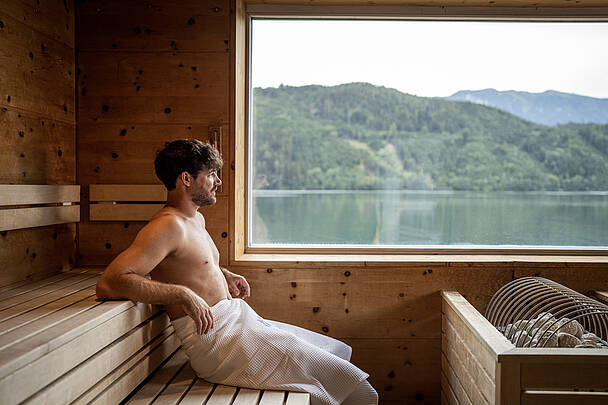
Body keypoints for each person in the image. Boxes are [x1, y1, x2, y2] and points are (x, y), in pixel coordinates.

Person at [96, 139, 378, 405]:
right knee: (355, 387)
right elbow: (110, 282)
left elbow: (189, 263)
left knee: (334, 352)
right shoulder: (166, 226)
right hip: (217, 343)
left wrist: (224, 274)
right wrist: (182, 294)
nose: (218, 181)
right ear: (186, 178)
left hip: (236, 321)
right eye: (211, 174)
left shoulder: (195, 218)